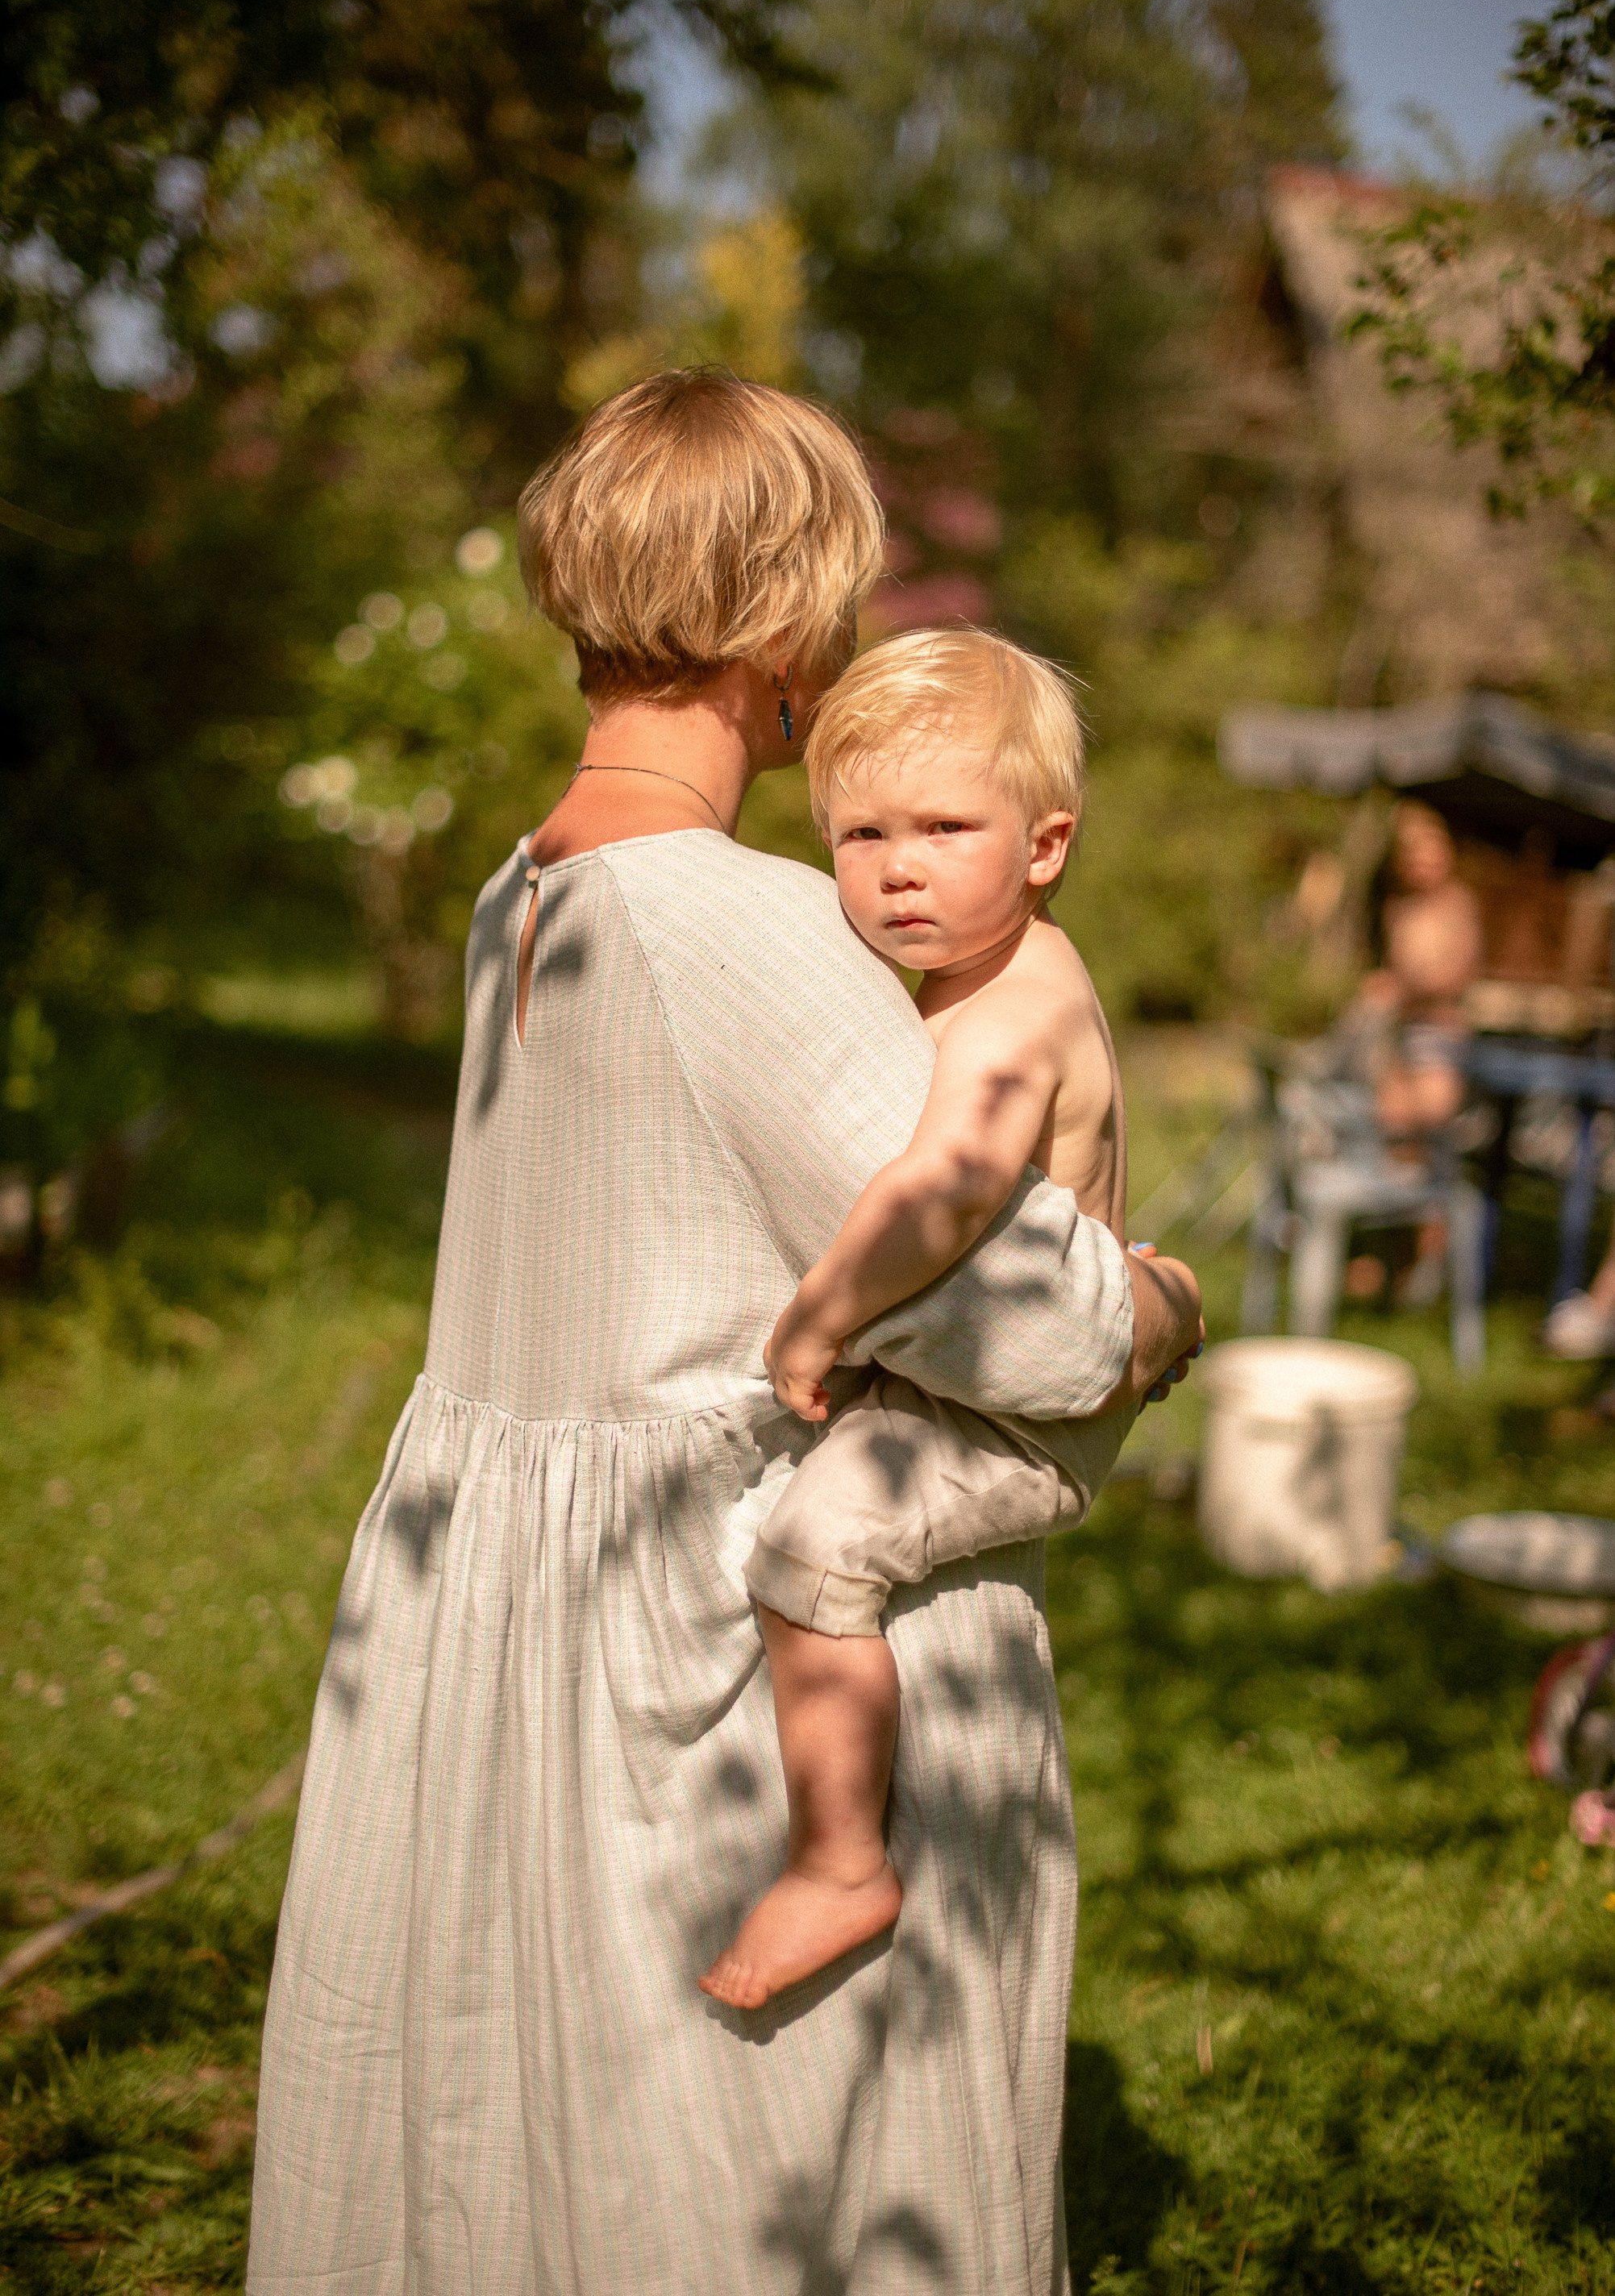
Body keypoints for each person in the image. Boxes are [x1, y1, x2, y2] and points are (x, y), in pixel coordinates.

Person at [246, 370, 1202, 2296]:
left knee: (534, 2148)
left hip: (524, 1614)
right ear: (785, 624)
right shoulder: (753, 927)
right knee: (754, 2182)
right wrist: (1167, 1298)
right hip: (710, 1664)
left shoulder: (525, 894)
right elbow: (1025, 1321)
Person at [701, 627, 1145, 2012]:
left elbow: (945, 1190)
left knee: (810, 1548)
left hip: (1023, 1424)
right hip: (988, 1385)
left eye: (945, 827)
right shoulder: (975, 978)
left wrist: (818, 1314)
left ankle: (840, 1861)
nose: (897, 866)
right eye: (860, 833)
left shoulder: (1011, 1014)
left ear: (1043, 845)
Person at [1351, 800, 1483, 1307]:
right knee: (1393, 1140)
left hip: (1439, 1039)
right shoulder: (1398, 909)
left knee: (1430, 1141)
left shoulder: (1458, 904)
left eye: (1434, 850)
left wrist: (1404, 989)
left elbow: (1459, 974)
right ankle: (1393, 1260)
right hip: (1401, 1039)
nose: (1425, 862)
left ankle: (1432, 1266)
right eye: (1414, 853)